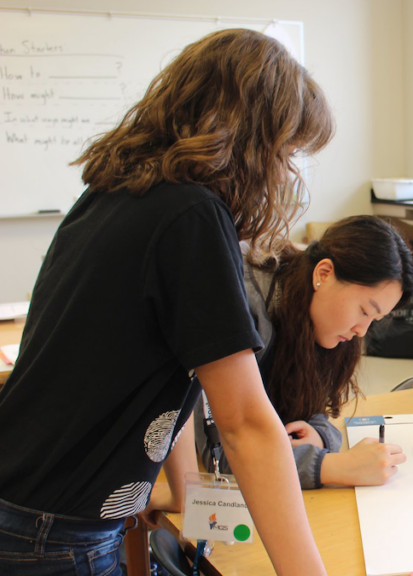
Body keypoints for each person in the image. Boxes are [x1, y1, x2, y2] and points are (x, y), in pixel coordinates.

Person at [0, 29, 335, 575]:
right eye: (287, 151)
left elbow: (170, 372)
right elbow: (247, 422)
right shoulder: (191, 216)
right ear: (253, 139)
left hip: (29, 502)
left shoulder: (114, 192)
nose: (286, 170)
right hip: (52, 532)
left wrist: (191, 500)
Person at [197, 216, 413, 489]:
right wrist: (330, 466)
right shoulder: (239, 303)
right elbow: (219, 454)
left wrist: (321, 435)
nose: (362, 330)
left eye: (374, 319)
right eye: (363, 311)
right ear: (323, 274)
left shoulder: (313, 319)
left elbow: (309, 406)